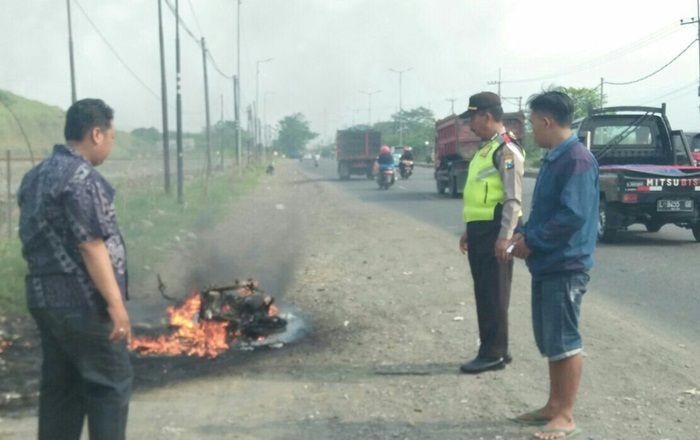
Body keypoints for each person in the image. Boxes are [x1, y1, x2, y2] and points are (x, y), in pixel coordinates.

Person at [18, 99, 133, 440]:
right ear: (96, 134)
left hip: (44, 301)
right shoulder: (81, 176)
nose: (110, 145)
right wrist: (115, 304)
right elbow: (91, 244)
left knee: (61, 391)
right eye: (111, 136)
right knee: (109, 385)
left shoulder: (35, 175)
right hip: (83, 304)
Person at [508, 91, 599, 440]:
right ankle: (552, 405)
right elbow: (546, 212)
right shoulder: (555, 158)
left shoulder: (576, 159)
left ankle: (565, 415)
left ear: (546, 122)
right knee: (551, 338)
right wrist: (524, 233)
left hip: (565, 264)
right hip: (548, 262)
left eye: (532, 124)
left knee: (565, 339)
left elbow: (572, 216)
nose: (531, 131)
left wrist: (534, 241)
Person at [457, 91, 525, 374]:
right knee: (485, 291)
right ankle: (497, 349)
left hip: (496, 230)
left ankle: (493, 353)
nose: (469, 125)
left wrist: (505, 236)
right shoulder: (487, 148)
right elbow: (478, 194)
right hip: (480, 230)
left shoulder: (506, 150)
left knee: (494, 292)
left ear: (486, 115)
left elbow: (512, 198)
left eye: (472, 118)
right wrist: (468, 230)